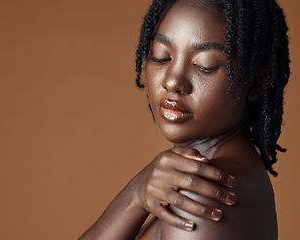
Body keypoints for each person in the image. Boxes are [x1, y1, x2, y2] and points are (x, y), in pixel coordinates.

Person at [79, 0, 289, 239]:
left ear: (254, 83)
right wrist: (136, 193)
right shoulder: (226, 175)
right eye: (161, 57)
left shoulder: (202, 196)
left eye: (204, 65)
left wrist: (134, 197)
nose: (172, 81)